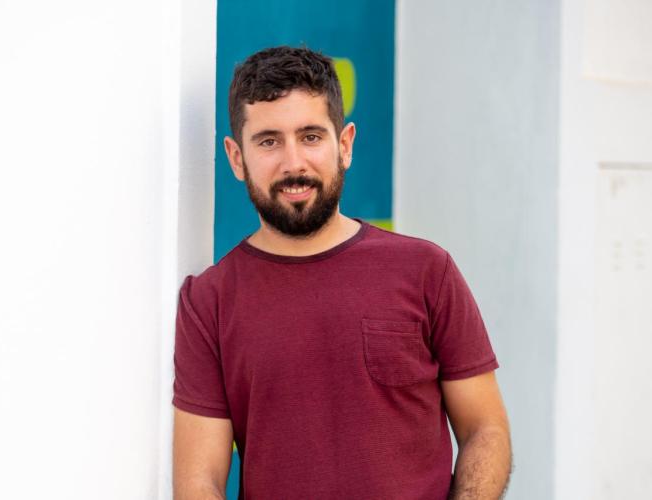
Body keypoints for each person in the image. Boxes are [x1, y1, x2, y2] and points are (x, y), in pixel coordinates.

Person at [172, 46, 512, 499]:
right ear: (237, 158)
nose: (293, 163)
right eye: (269, 141)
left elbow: (485, 429)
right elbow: (199, 481)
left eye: (311, 136)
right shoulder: (209, 301)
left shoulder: (426, 271)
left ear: (345, 145)